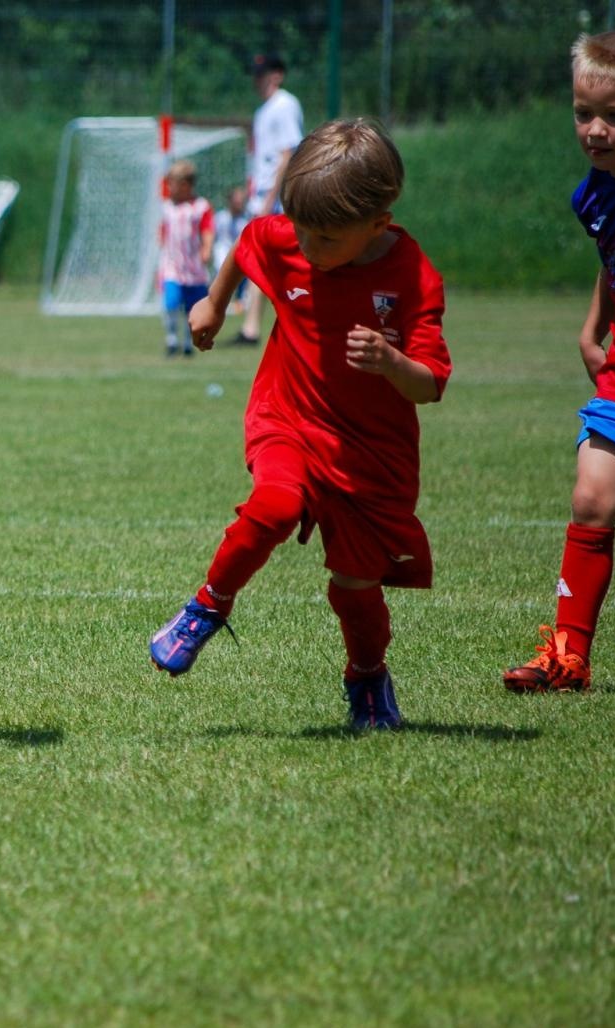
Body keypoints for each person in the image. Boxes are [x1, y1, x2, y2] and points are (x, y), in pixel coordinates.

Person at [148, 119, 450, 731]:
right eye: (302, 231)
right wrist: (212, 301)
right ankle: (207, 605)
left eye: (325, 238)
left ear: (379, 222)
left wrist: (393, 363)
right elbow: (255, 239)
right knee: (275, 505)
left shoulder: (413, 277)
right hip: (286, 416)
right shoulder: (292, 235)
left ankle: (366, 679)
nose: (307, 248)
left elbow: (431, 383)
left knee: (355, 584)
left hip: (369, 453)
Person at [502, 32, 615, 694]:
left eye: (614, 116)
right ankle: (568, 656)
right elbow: (613, 263)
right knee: (591, 495)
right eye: (583, 113)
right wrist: (593, 324)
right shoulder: (593, 197)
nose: (595, 130)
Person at [233, 52, 303, 346]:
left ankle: (294, 323)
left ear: (278, 74)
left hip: (276, 198)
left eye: (263, 74)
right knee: (259, 261)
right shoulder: (263, 111)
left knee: (287, 262)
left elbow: (288, 153)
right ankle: (251, 327)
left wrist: (271, 199)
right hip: (262, 195)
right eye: (255, 74)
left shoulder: (285, 104)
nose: (257, 80)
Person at [157, 159, 213, 358]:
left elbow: (207, 230)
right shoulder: (167, 207)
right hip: (172, 266)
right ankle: (172, 340)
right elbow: (163, 232)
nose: (168, 188)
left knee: (193, 308)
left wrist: (207, 248)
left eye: (171, 183)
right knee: (171, 303)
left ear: (185, 185)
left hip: (194, 267)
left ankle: (189, 342)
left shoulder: (200, 207)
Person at [212, 185, 248, 312]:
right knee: (221, 267)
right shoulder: (220, 217)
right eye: (236, 200)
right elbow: (213, 235)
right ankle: (218, 299)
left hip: (240, 252)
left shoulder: (245, 219)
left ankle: (240, 299)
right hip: (222, 249)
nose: (239, 203)